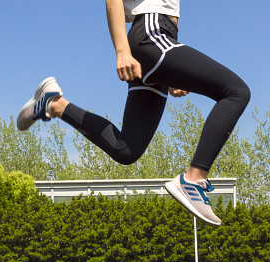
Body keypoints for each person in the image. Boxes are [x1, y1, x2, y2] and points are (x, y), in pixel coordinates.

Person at [17, 0, 250, 226]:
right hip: (150, 34)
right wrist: (121, 51)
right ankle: (194, 180)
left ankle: (54, 104)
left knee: (126, 149)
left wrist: (175, 73)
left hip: (160, 41)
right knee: (236, 92)